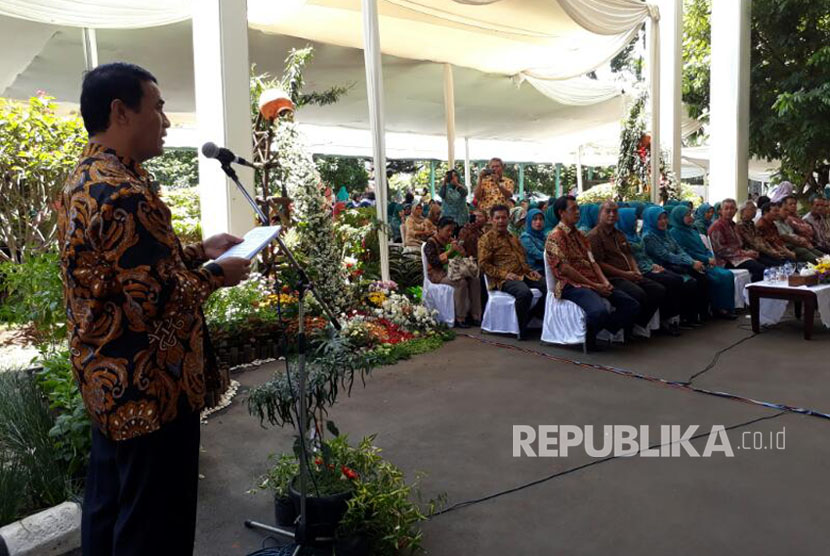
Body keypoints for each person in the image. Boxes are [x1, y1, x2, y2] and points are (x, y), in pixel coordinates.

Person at [58, 63, 252, 556]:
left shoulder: (85, 178)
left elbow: (124, 275)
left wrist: (198, 251)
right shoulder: (123, 191)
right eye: (159, 106)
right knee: (154, 526)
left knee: (110, 507)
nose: (166, 120)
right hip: (151, 387)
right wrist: (219, 274)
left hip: (108, 382)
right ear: (121, 111)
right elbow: (159, 299)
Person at [546, 196, 640, 349]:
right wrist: (595, 286)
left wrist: (604, 281)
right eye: (573, 209)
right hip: (571, 284)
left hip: (593, 281)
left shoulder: (581, 235)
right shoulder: (555, 236)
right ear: (561, 213)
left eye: (578, 208)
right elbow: (565, 270)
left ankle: (599, 328)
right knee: (599, 311)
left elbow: (593, 262)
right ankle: (591, 334)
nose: (578, 212)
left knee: (632, 305)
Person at [588, 201, 677, 335]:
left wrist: (635, 271)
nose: (612, 215)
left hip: (629, 273)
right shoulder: (594, 236)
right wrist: (625, 274)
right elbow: (599, 264)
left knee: (658, 290)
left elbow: (629, 254)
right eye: (608, 211)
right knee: (638, 294)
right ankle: (615, 329)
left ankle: (638, 324)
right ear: (600, 214)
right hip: (612, 277)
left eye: (614, 211)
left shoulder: (619, 234)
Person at [616, 208, 699, 329]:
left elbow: (646, 256)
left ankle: (679, 318)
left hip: (651, 267)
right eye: (659, 219)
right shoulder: (643, 237)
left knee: (682, 279)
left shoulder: (636, 236)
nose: (636, 222)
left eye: (665, 218)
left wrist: (652, 265)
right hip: (640, 271)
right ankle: (665, 320)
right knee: (671, 282)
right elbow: (662, 255)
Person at [478, 204, 546, 340]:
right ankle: (520, 328)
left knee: (548, 287)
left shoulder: (513, 237)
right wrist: (504, 274)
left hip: (523, 274)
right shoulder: (486, 239)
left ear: (508, 219)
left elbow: (522, 259)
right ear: (491, 220)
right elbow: (483, 264)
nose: (501, 221)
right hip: (503, 279)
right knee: (524, 293)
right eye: (497, 218)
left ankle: (531, 316)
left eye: (504, 218)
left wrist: (531, 271)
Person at [642, 207, 710, 324]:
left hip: (677, 265)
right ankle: (681, 317)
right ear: (651, 220)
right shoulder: (649, 237)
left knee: (702, 276)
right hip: (662, 267)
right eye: (659, 219)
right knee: (688, 283)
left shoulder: (666, 233)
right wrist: (691, 262)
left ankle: (698, 314)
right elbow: (666, 255)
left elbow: (679, 250)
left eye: (665, 218)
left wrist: (692, 262)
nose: (664, 221)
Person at [668, 205, 737, 319]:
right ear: (679, 217)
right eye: (687, 215)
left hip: (705, 261)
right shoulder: (675, 232)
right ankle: (717, 309)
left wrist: (710, 256)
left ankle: (726, 308)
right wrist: (705, 259)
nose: (690, 218)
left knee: (728, 275)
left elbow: (704, 247)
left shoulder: (692, 230)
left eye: (690, 214)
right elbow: (686, 252)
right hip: (693, 263)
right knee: (717, 278)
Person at [423, 217, 482, 328]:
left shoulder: (451, 241)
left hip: (454, 270)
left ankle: (476, 315)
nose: (450, 233)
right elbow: (434, 262)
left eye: (452, 230)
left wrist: (461, 251)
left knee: (475, 280)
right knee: (461, 282)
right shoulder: (431, 243)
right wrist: (450, 251)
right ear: (439, 229)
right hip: (438, 274)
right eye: (448, 230)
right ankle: (460, 317)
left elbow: (461, 258)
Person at [708, 198, 767, 282]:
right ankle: (753, 292)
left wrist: (749, 252)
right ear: (720, 211)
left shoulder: (733, 225)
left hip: (738, 257)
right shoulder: (717, 226)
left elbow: (740, 244)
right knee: (760, 268)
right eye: (726, 208)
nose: (729, 211)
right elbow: (720, 250)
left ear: (736, 211)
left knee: (766, 262)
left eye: (732, 208)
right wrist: (745, 253)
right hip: (725, 261)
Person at [735, 200, 793, 267]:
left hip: (763, 251)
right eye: (752, 209)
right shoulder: (741, 225)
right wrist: (771, 252)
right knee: (779, 264)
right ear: (743, 211)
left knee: (787, 261)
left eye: (755, 209)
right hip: (753, 253)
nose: (755, 211)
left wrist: (772, 251)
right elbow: (754, 243)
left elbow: (762, 239)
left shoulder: (751, 224)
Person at [520, 208, 546, 274]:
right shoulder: (525, 237)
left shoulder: (543, 235)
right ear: (529, 221)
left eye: (541, 219)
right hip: (534, 271)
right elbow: (538, 255)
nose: (538, 222)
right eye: (535, 219)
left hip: (545, 266)